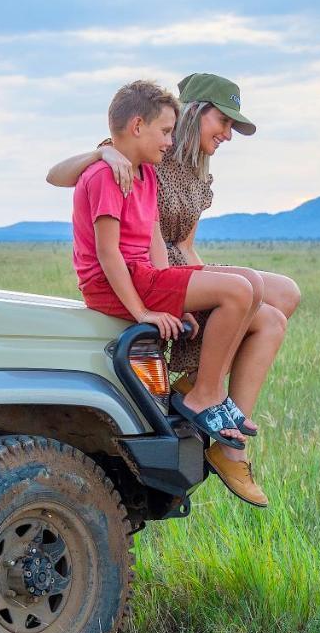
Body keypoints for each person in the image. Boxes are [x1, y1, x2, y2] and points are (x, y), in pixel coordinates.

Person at [50, 73, 299, 504]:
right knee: (254, 301)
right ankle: (207, 398)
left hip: (161, 268)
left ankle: (226, 428)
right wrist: (103, 153)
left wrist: (197, 285)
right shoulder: (133, 158)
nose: (227, 135)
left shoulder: (189, 172)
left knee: (280, 296)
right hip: (137, 274)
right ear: (193, 113)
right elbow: (69, 184)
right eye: (223, 121)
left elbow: (180, 244)